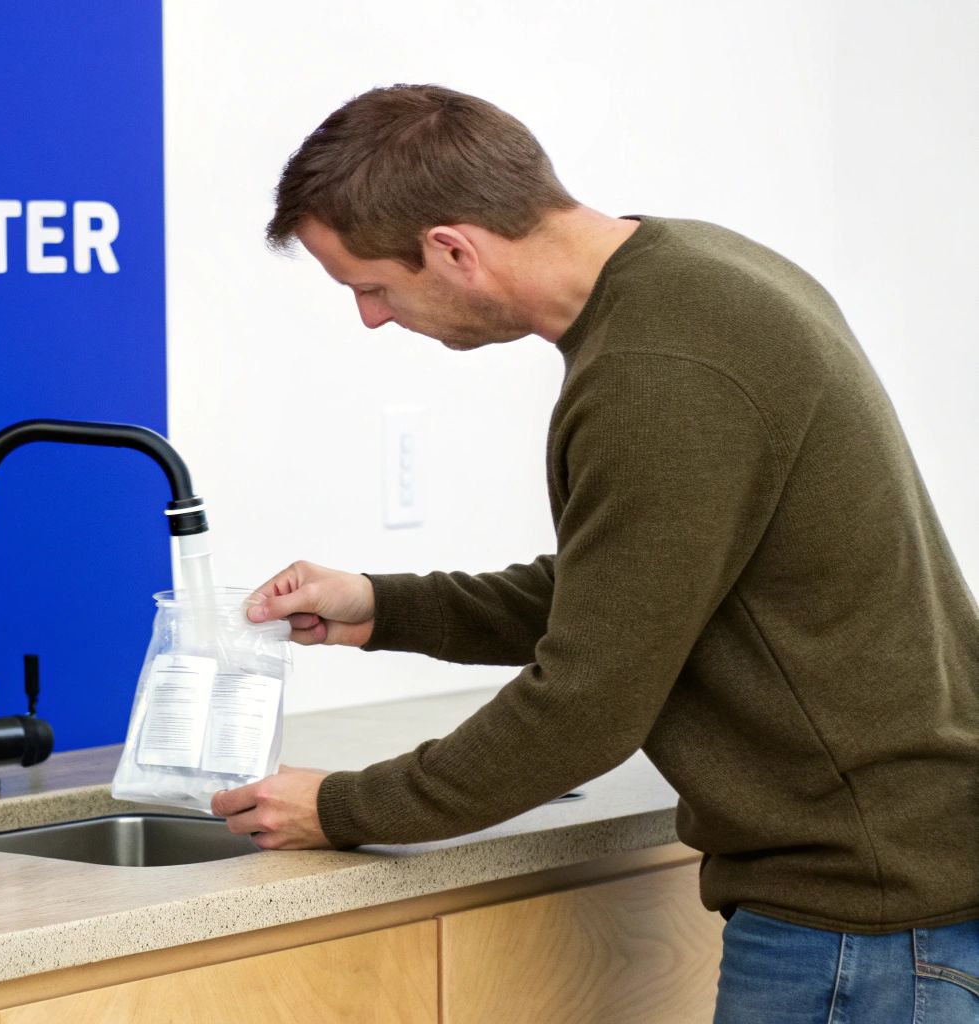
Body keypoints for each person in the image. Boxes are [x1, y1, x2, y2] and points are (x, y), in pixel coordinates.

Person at [208, 84, 979, 1022]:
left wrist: (344, 808)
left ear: (454, 249)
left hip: (861, 922)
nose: (371, 318)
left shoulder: (661, 368)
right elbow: (635, 586)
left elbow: (585, 707)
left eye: (371, 286)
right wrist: (383, 604)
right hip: (891, 887)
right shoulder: (691, 271)